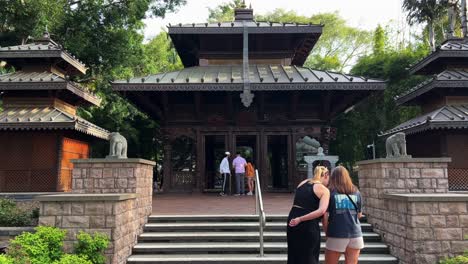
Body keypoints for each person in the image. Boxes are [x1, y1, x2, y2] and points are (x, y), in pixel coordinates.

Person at [287, 166, 330, 264]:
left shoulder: (302, 183)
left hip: (292, 219)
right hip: (308, 224)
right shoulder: (324, 190)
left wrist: (298, 218)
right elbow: (321, 211)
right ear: (326, 175)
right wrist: (301, 219)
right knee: (309, 255)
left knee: (294, 253)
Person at [323, 166, 364, 264]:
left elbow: (324, 216)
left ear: (333, 177)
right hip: (355, 235)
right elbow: (359, 214)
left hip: (336, 234)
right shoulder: (356, 192)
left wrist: (327, 232)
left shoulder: (330, 192)